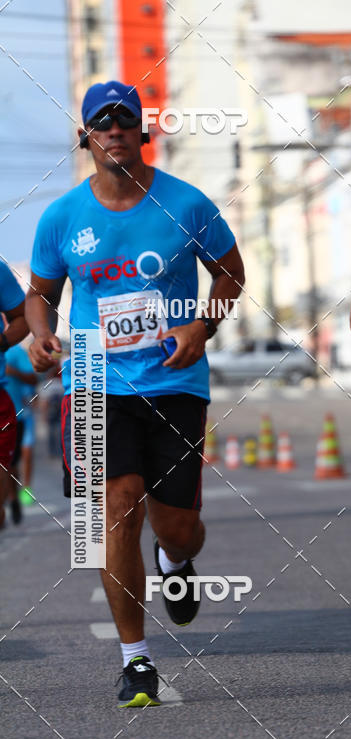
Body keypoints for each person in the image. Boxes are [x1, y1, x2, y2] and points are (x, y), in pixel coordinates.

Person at [26, 81, 244, 706]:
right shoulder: (62, 216)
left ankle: (175, 561)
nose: (115, 131)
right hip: (95, 382)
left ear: (142, 132)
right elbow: (40, 294)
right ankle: (136, 659)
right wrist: (41, 334)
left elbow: (231, 274)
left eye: (125, 121)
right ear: (86, 137)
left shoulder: (188, 203)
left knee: (180, 527)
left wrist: (201, 326)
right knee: (116, 507)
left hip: (174, 381)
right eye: (103, 123)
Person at [0, 266, 29, 530]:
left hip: (11, 409)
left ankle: (15, 497)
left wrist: (2, 342)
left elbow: (23, 316)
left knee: (17, 462)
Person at [5, 340, 38, 523]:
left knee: (18, 457)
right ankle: (11, 496)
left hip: (18, 415)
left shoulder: (14, 350)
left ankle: (22, 491)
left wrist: (13, 372)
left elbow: (33, 379)